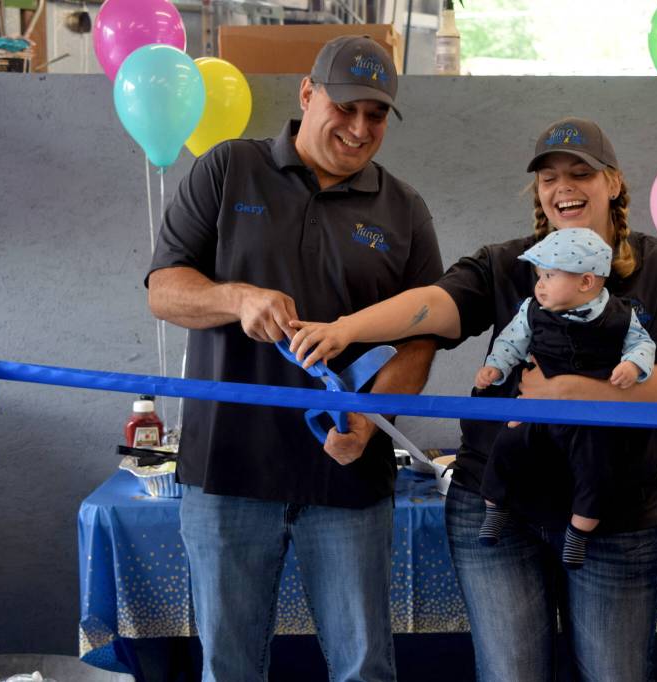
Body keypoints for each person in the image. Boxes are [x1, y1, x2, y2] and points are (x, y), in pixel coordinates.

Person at [289, 116, 657, 680]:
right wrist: (347, 328)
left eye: (580, 173)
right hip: (497, 505)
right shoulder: (509, 264)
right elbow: (432, 304)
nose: (564, 187)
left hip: (615, 514)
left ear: (614, 183)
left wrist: (563, 392)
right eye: (549, 177)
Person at [145, 36, 443, 682]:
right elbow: (164, 291)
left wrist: (366, 421)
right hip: (227, 470)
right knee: (230, 669)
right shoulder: (228, 170)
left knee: (363, 667)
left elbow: (421, 340)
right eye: (346, 107)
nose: (361, 128)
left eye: (377, 114)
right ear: (307, 94)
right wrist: (236, 298)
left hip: (349, 477)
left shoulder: (405, 209)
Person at [473, 227, 657, 567]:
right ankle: (495, 508)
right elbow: (509, 342)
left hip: (590, 416)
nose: (539, 284)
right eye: (539, 276)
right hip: (538, 408)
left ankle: (579, 530)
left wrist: (633, 366)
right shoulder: (531, 311)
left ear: (586, 282)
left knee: (596, 465)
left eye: (549, 276)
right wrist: (495, 368)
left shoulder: (620, 315)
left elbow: (643, 345)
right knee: (508, 443)